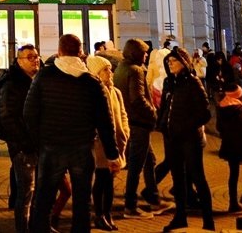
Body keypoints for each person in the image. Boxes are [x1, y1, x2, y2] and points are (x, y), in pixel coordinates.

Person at [24, 33, 122, 233]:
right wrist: (113, 155)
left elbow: (29, 113)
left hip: (51, 148)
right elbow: (105, 122)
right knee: (82, 205)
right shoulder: (92, 83)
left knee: (43, 201)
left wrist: (38, 142)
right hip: (82, 149)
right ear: (80, 52)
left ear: (59, 51)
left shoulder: (44, 76)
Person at [158, 46, 214, 231]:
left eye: (173, 61)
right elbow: (165, 107)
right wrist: (163, 124)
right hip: (171, 138)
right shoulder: (169, 83)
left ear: (183, 62)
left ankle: (208, 221)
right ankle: (180, 216)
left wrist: (187, 126)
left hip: (189, 139)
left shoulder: (193, 82)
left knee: (198, 177)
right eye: (168, 61)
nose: (170, 63)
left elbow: (205, 113)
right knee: (178, 179)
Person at [113, 38, 169, 218]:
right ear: (135, 53)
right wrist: (153, 114)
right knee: (136, 166)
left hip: (130, 122)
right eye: (144, 52)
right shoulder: (135, 70)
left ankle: (153, 198)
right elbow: (137, 99)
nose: (146, 56)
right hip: (138, 124)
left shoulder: (121, 68)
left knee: (149, 160)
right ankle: (131, 206)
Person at [0, 44, 40, 233]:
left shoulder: (37, 79)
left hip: (38, 144)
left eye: (36, 56)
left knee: (37, 191)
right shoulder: (13, 83)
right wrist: (22, 143)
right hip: (24, 147)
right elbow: (8, 117)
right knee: (25, 193)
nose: (35, 60)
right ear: (19, 61)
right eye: (30, 57)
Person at [88, 55, 128, 231]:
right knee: (102, 178)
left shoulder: (115, 91)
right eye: (106, 70)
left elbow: (123, 114)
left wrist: (125, 132)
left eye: (110, 69)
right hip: (100, 144)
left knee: (110, 180)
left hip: (117, 142)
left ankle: (107, 213)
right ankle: (99, 214)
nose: (110, 72)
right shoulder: (93, 92)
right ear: (97, 73)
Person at [215, 83, 242, 213]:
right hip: (241, 145)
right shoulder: (238, 108)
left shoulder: (221, 106)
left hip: (229, 144)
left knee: (233, 174)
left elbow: (219, 127)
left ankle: (233, 203)